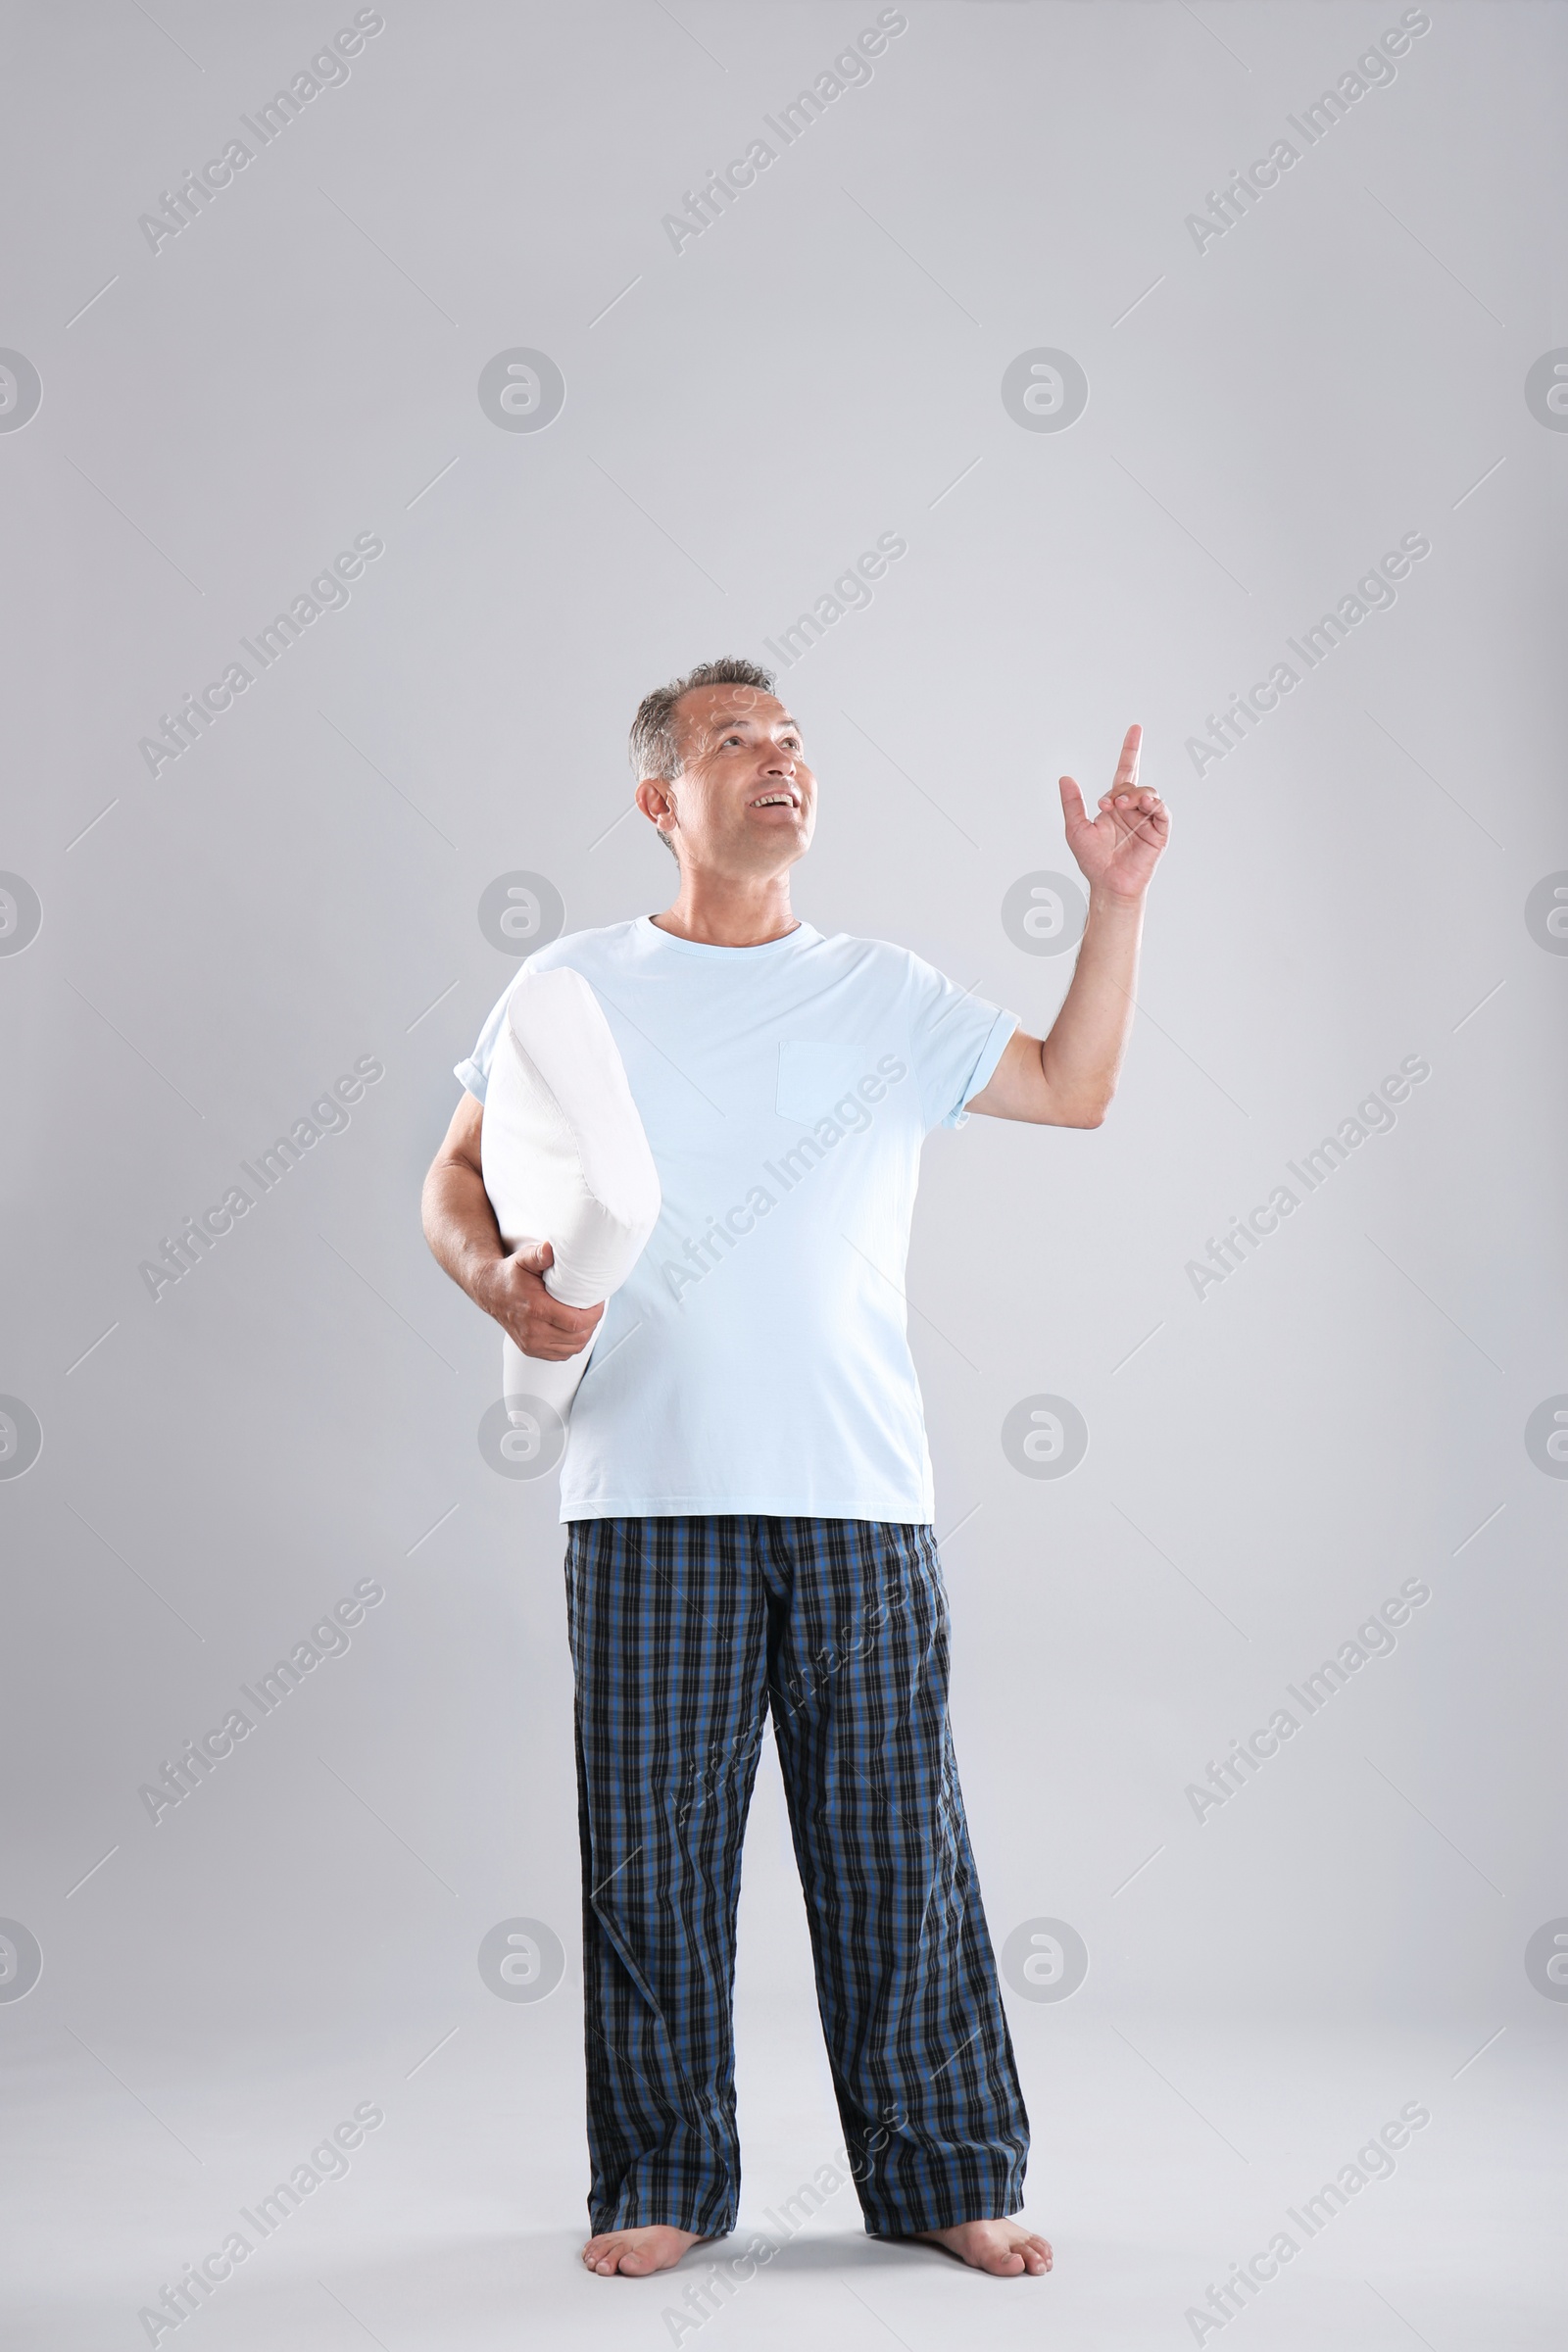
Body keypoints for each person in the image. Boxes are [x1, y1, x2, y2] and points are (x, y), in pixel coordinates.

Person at [420, 658, 1169, 2283]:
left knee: (900, 1854)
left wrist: (1109, 903)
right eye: (732, 741)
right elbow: (453, 1183)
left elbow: (1075, 1085)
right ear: (659, 799)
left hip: (857, 1494)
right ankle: (663, 2178)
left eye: (792, 740)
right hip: (644, 1494)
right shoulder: (569, 986)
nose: (776, 762)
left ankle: (943, 2175)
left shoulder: (884, 993)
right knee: (651, 1864)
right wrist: (499, 1290)